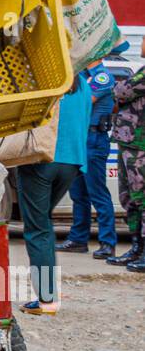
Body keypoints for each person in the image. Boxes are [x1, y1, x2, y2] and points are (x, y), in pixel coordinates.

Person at [18, 73, 91, 316]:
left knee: (37, 229)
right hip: (72, 162)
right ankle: (48, 295)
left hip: (41, 160)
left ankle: (46, 300)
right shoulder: (82, 85)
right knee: (44, 224)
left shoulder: (43, 81)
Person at [60, 58, 117, 260]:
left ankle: (107, 242)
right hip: (79, 138)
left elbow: (82, 101)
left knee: (97, 192)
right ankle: (78, 239)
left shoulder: (102, 77)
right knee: (78, 193)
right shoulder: (82, 76)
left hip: (94, 139)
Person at [106, 50, 145, 272]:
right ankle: (137, 247)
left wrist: (118, 88)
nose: (142, 45)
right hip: (129, 143)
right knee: (128, 197)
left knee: (142, 198)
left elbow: (122, 90)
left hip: (139, 146)